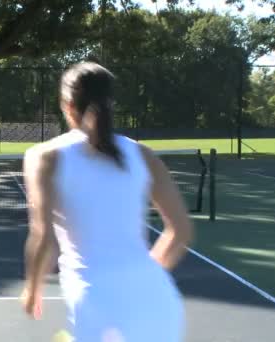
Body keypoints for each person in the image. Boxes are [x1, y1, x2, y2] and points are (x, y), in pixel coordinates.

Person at [21, 62, 193, 342]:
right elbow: (181, 231)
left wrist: (32, 289)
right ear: (111, 103)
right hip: (159, 300)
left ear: (66, 105)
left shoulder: (44, 157)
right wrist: (141, 278)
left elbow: (44, 238)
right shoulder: (144, 155)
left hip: (96, 306)